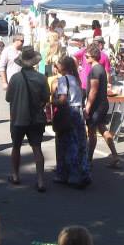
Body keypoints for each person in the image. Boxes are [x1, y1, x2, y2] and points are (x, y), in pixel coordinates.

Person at [5, 46, 50, 192]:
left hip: (18, 117)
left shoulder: (15, 78)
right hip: (36, 118)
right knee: (37, 148)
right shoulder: (42, 78)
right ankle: (41, 180)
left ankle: (15, 175)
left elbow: (8, 98)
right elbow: (45, 99)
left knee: (16, 147)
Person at [53, 55, 91, 188]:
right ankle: (82, 172)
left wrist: (53, 101)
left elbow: (63, 99)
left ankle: (67, 174)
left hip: (68, 112)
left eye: (58, 64)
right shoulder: (76, 79)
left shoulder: (63, 79)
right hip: (78, 112)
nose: (57, 67)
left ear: (64, 67)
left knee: (65, 144)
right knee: (79, 143)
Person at [84, 44, 120, 168]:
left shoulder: (95, 70)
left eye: (87, 55)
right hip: (102, 104)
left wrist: (87, 107)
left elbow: (93, 90)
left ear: (93, 56)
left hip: (97, 106)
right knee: (103, 129)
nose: (85, 57)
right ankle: (115, 155)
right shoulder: (100, 68)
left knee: (92, 132)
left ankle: (88, 159)